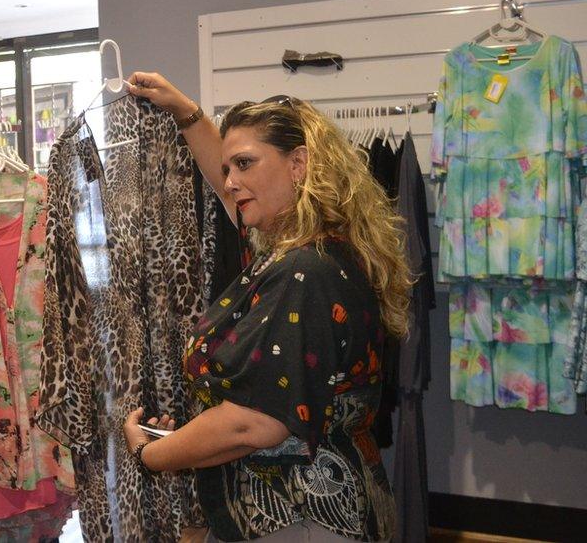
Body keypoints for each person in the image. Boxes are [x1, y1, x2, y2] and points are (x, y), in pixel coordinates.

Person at [122, 72, 412, 542]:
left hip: (300, 518)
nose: (232, 182)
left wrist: (150, 454)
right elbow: (234, 187)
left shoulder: (302, 272)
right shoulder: (313, 249)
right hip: (312, 505)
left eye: (244, 164)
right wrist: (189, 114)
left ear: (298, 165)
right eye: (229, 168)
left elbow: (254, 423)